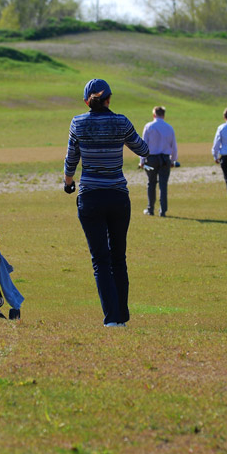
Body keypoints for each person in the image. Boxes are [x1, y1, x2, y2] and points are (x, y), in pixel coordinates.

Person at [63, 79, 150, 327]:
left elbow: (71, 159)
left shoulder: (78, 123)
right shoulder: (121, 121)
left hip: (90, 196)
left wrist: (68, 183)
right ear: (109, 99)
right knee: (118, 258)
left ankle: (112, 318)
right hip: (117, 196)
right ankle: (121, 315)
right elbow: (143, 149)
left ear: (86, 101)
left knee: (100, 259)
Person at [138, 106, 178, 217]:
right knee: (163, 184)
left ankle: (150, 209)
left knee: (151, 183)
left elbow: (143, 145)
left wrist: (142, 160)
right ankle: (163, 210)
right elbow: (173, 146)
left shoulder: (149, 126)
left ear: (154, 115)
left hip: (151, 158)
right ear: (164, 115)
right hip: (165, 159)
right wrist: (173, 160)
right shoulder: (169, 128)